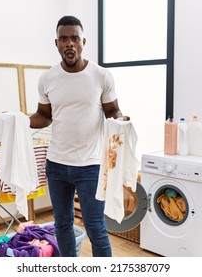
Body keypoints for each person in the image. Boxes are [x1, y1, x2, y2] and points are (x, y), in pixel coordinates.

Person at [29, 15, 129, 257]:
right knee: (61, 224)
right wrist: (21, 120)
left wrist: (120, 119)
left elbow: (112, 110)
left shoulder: (101, 76)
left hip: (91, 165)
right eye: (64, 39)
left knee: (96, 227)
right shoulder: (47, 78)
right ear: (57, 44)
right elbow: (44, 115)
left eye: (74, 38)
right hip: (56, 165)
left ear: (83, 42)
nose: (69, 43)